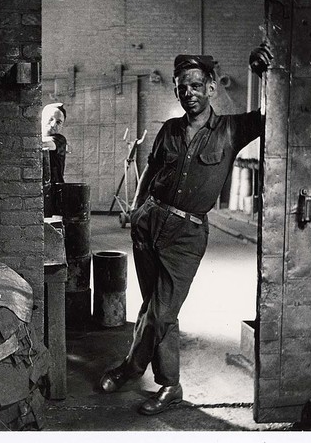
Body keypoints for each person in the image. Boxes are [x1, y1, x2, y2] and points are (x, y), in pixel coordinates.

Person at [98, 45, 272, 415]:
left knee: (162, 312)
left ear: (211, 88)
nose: (188, 93)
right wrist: (137, 210)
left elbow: (270, 116)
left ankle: (157, 379)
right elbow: (150, 170)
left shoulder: (231, 130)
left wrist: (265, 73)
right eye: (182, 87)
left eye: (195, 85)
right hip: (149, 224)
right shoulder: (170, 130)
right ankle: (146, 374)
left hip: (187, 235)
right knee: (153, 307)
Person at [41, 102, 67, 184]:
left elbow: (45, 144)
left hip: (54, 187)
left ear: (62, 126)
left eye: (58, 122)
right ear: (42, 119)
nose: (53, 124)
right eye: (51, 119)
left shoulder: (60, 140)